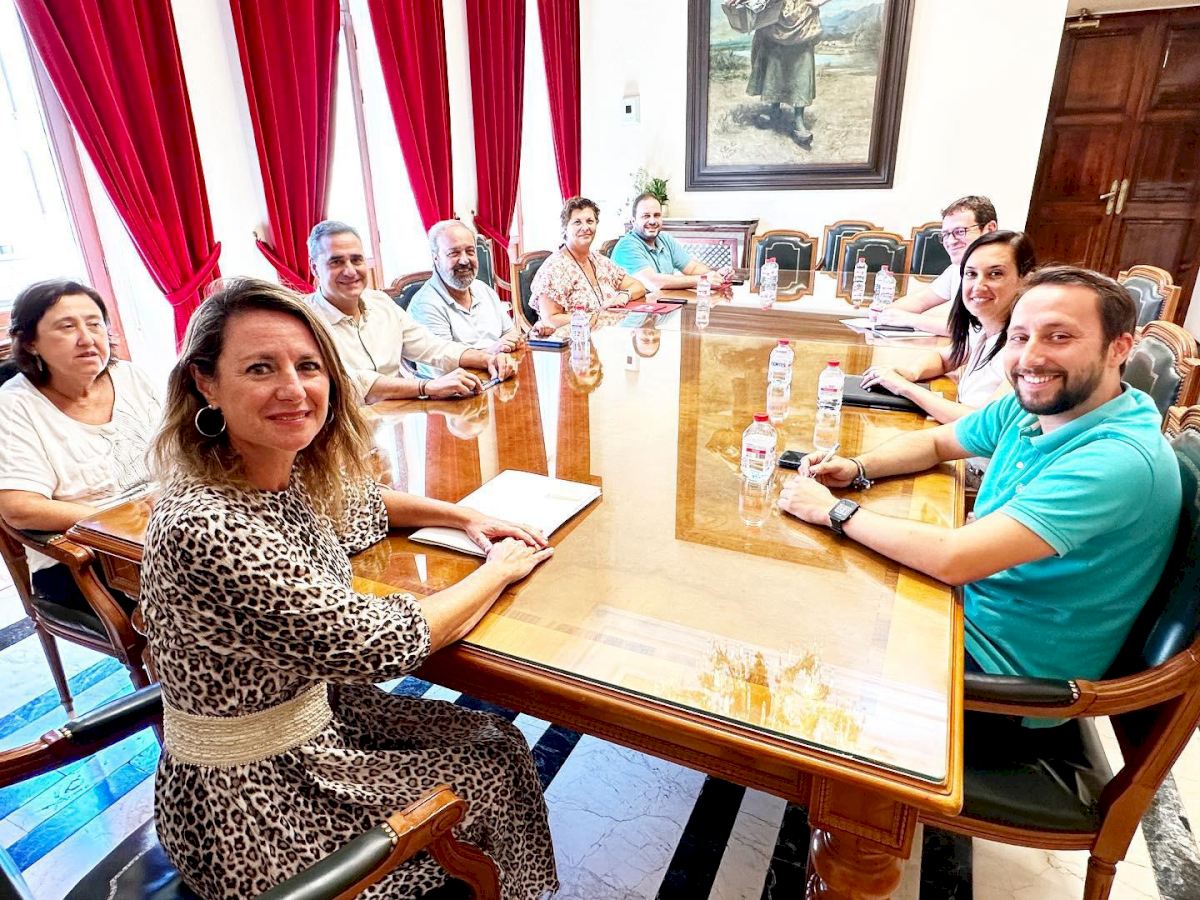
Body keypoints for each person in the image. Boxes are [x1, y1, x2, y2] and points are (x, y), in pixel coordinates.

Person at [141, 278, 558, 898]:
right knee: (493, 766)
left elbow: (366, 503)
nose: (293, 388)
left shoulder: (274, 471)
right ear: (206, 383)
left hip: (318, 721)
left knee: (493, 740)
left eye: (308, 366)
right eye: (260, 368)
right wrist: (497, 570)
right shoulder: (206, 525)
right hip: (252, 804)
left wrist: (466, 517)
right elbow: (383, 643)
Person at [778, 266, 1181, 689]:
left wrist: (834, 511)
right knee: (809, 595)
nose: (1030, 358)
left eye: (1059, 337)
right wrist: (858, 467)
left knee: (798, 642)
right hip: (960, 606)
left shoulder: (1116, 460)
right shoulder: (1039, 404)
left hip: (1002, 669)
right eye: (1019, 337)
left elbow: (956, 559)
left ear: (1119, 348)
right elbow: (937, 443)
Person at [0, 280, 161, 605]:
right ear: (30, 342)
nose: (87, 339)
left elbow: (181, 449)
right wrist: (122, 521)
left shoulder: (131, 377)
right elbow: (20, 508)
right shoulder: (14, 406)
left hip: (161, 526)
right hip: (82, 554)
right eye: (67, 327)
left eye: (94, 324)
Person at [860, 232, 1036, 482]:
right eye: (971, 274)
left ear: (1025, 280)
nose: (978, 285)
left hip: (983, 478)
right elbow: (945, 358)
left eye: (995, 274)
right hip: (963, 459)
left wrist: (905, 388)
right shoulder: (985, 329)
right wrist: (911, 373)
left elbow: (982, 425)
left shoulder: (1024, 351)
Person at [304, 220, 516, 403]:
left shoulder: (380, 303)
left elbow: (432, 347)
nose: (350, 271)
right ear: (314, 268)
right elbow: (351, 383)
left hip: (400, 413)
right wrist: (426, 387)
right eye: (336, 262)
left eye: (356, 260)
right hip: (347, 425)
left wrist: (487, 359)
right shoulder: (304, 320)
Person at [408, 220, 525, 379]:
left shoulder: (484, 289)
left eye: (470, 251)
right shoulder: (425, 305)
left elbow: (510, 333)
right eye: (454, 253)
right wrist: (490, 353)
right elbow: (443, 366)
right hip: (456, 388)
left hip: (497, 376)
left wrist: (506, 345)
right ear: (436, 258)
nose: (464, 260)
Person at [879, 196, 999, 336]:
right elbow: (921, 300)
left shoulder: (1002, 273)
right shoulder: (957, 268)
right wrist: (885, 312)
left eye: (960, 231)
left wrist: (909, 319)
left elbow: (976, 329)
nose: (951, 241)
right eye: (946, 234)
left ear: (990, 229)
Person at [530, 197, 646, 333]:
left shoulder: (599, 261)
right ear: (565, 228)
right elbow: (550, 320)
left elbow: (638, 286)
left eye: (590, 221)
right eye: (577, 222)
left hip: (611, 335)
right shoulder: (554, 268)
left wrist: (624, 295)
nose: (585, 227)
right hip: (576, 340)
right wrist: (588, 317)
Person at [746, 0, 831, 148]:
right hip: (774, 14)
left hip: (802, 17)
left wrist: (819, 2)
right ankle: (774, 109)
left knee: (801, 67)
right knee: (774, 65)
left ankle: (799, 120)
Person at [611, 194, 730, 291]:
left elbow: (692, 268)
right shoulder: (627, 246)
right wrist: (703, 280)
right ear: (633, 221)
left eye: (657, 215)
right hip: (633, 310)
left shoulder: (665, 239)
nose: (652, 221)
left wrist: (716, 275)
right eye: (646, 216)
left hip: (661, 306)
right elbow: (653, 282)